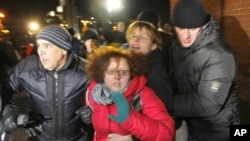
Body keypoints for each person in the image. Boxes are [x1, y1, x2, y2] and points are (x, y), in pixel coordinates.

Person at [169, 0, 240, 141]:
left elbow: (208, 103)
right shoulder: (175, 47)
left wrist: (167, 103)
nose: (186, 35)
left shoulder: (220, 54)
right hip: (194, 123)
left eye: (193, 28)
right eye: (181, 28)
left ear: (203, 26)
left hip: (221, 128)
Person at [7, 25, 91, 141]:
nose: (41, 51)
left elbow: (110, 97)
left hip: (77, 138)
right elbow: (4, 90)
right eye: (39, 45)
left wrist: (94, 112)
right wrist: (9, 113)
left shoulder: (87, 70)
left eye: (47, 46)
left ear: (64, 49)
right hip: (39, 138)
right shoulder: (27, 68)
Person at [84, 46, 175, 141]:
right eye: (111, 71)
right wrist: (86, 123)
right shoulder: (93, 95)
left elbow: (168, 134)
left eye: (124, 72)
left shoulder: (142, 95)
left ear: (131, 74)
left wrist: (130, 120)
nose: (117, 76)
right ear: (102, 74)